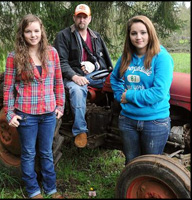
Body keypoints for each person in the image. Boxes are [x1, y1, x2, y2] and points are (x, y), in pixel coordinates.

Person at [3, 14, 65, 199]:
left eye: (36, 31)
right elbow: (8, 88)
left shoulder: (52, 53)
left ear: (41, 32)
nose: (33, 35)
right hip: (26, 114)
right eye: (28, 31)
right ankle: (33, 190)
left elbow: (59, 82)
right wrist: (9, 113)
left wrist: (60, 105)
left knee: (46, 152)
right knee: (29, 153)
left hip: (48, 114)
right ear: (22, 33)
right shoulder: (14, 57)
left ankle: (51, 188)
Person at [110, 15, 174, 165]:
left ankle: (146, 189)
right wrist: (120, 96)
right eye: (134, 33)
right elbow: (115, 78)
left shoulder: (161, 57)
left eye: (143, 32)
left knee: (150, 165)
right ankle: (129, 188)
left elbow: (159, 92)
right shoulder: (127, 56)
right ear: (129, 35)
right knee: (131, 161)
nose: (138, 37)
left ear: (150, 33)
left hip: (155, 121)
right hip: (128, 119)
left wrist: (130, 95)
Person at [54, 4, 113, 148]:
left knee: (115, 83)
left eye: (84, 17)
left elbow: (104, 61)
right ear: (74, 18)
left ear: (89, 19)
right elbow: (60, 62)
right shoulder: (64, 36)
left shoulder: (96, 37)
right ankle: (80, 131)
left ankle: (117, 122)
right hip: (71, 76)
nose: (82, 20)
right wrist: (74, 76)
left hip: (95, 75)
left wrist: (94, 66)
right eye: (79, 17)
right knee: (77, 90)